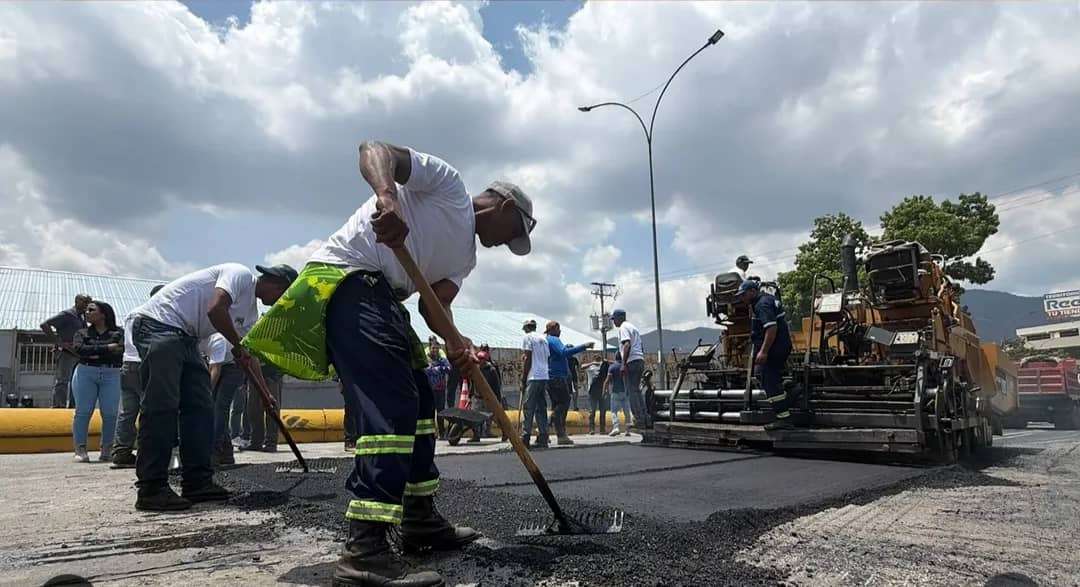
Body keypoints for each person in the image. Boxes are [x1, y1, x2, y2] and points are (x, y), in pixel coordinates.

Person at [241, 140, 536, 587]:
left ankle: (419, 520)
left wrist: (455, 340)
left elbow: (434, 306)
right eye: (511, 233)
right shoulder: (448, 187)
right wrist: (388, 199)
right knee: (391, 407)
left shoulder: (466, 257)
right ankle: (365, 552)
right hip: (349, 281)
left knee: (420, 405)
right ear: (506, 206)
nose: (504, 245)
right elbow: (374, 149)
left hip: (385, 300)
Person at [129, 263, 295, 512]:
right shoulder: (240, 274)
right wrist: (238, 345)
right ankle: (151, 489)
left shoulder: (250, 314)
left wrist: (265, 393)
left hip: (187, 338)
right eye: (284, 295)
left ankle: (197, 482)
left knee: (202, 407)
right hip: (159, 325)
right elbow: (215, 309)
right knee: (162, 407)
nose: (280, 302)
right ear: (277, 282)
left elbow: (249, 357)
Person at [111, 285, 164, 469]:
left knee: (127, 412)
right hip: (145, 364)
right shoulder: (157, 314)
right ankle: (147, 453)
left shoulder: (133, 313)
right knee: (151, 409)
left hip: (128, 364)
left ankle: (121, 452)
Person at [736, 280, 794, 431]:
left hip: (774, 348)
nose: (741, 298)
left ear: (752, 291)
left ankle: (784, 418)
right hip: (779, 346)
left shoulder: (762, 305)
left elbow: (771, 329)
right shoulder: (766, 300)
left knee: (768, 379)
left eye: (743, 295)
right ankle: (790, 392)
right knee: (767, 376)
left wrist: (763, 351)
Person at [70, 301, 124, 462]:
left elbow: (120, 351)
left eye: (91, 309)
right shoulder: (81, 333)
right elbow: (80, 350)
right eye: (86, 310)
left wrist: (93, 349)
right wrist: (107, 348)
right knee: (83, 411)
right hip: (86, 372)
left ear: (103, 314)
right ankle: (80, 449)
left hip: (112, 373)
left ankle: (107, 449)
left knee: (110, 413)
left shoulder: (119, 333)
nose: (86, 312)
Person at [545, 321, 594, 445]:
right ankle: (558, 431)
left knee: (557, 404)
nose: (560, 331)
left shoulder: (547, 340)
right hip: (557, 377)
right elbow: (564, 352)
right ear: (554, 329)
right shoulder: (553, 340)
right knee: (564, 402)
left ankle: (554, 431)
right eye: (558, 329)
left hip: (552, 377)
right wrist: (584, 346)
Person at [41, 294, 92, 408]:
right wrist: (58, 342)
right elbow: (44, 324)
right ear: (77, 301)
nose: (87, 305)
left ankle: (74, 406)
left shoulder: (82, 317)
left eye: (89, 302)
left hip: (78, 354)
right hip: (66, 353)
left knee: (77, 382)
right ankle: (59, 406)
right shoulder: (67, 314)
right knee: (62, 381)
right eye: (85, 302)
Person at [207, 333, 246, 465]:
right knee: (216, 409)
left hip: (232, 367)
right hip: (220, 365)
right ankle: (227, 453)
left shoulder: (216, 338)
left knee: (220, 408)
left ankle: (214, 451)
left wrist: (206, 392)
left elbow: (215, 370)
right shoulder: (203, 338)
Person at [611, 309, 648, 428]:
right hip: (639, 359)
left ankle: (639, 419)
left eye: (614, 319)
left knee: (631, 392)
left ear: (619, 318)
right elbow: (641, 347)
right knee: (636, 390)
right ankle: (645, 417)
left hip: (631, 362)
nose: (613, 322)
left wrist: (623, 363)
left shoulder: (623, 327)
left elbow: (627, 344)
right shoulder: (633, 327)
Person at [520, 319, 550, 449]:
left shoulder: (528, 337)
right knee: (541, 408)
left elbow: (528, 358)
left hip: (533, 377)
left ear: (526, 328)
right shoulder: (544, 339)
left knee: (528, 407)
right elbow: (546, 357)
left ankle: (525, 437)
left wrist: (523, 378)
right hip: (544, 376)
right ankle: (543, 437)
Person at [247, 360, 284, 452]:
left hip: (272, 374)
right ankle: (256, 441)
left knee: (272, 409)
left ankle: (271, 443)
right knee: (253, 409)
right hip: (254, 374)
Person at [424, 338, 451, 440]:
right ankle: (431, 433)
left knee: (441, 412)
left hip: (440, 389)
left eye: (436, 348)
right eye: (433, 348)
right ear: (429, 348)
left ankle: (442, 433)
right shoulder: (426, 358)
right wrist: (434, 369)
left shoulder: (442, 359)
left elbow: (448, 368)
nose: (435, 350)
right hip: (429, 389)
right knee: (430, 412)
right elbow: (425, 370)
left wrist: (438, 368)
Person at [605, 357, 633, 436]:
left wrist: (605, 390)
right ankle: (627, 430)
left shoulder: (612, 367)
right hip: (625, 392)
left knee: (614, 411)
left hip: (615, 392)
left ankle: (616, 428)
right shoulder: (626, 366)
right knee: (627, 411)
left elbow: (608, 380)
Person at [582, 358, 610, 435]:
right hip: (592, 391)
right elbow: (582, 366)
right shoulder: (591, 367)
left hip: (602, 391)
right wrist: (592, 363)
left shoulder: (604, 366)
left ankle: (602, 429)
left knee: (602, 411)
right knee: (592, 411)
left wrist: (605, 362)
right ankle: (592, 429)